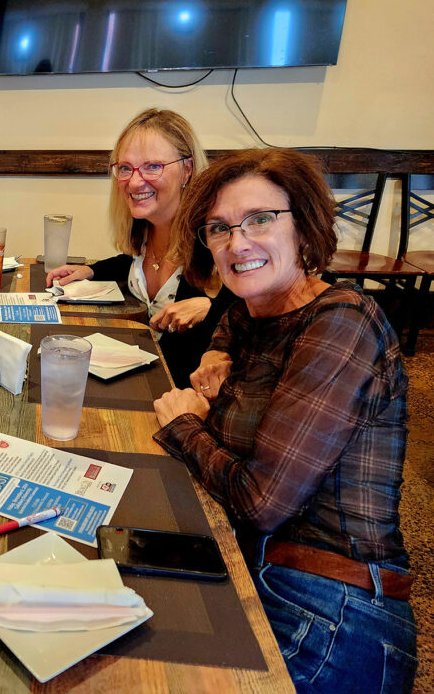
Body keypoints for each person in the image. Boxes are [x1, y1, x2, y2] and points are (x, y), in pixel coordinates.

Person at [153, 148, 416, 693]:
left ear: (305, 227)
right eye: (219, 228)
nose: (237, 242)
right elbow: (234, 315)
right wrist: (214, 352)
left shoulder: (343, 322)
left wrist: (186, 427)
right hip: (255, 569)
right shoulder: (260, 307)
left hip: (332, 612)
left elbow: (262, 502)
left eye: (260, 220)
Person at [46, 108, 234, 388]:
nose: (134, 181)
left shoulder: (217, 237)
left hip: (184, 404)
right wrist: (91, 269)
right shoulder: (144, 228)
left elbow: (259, 312)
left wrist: (212, 307)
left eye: (152, 166)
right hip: (138, 384)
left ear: (187, 169)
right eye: (125, 168)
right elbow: (132, 263)